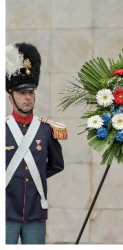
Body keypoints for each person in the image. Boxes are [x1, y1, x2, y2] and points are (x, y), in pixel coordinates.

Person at [5, 43, 66, 245]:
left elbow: (57, 164)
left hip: (35, 210)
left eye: (30, 92)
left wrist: (34, 173)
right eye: (22, 93)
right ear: (11, 97)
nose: (28, 97)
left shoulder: (46, 129)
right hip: (4, 210)